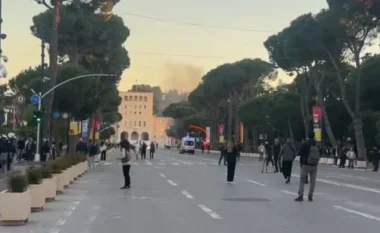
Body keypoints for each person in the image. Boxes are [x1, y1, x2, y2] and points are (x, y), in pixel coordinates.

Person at [295, 131, 320, 202]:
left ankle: (301, 196)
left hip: (306, 164)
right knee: (313, 182)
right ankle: (310, 196)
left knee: (302, 180)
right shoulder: (316, 144)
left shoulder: (305, 144)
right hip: (314, 165)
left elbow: (299, 153)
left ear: (308, 136)